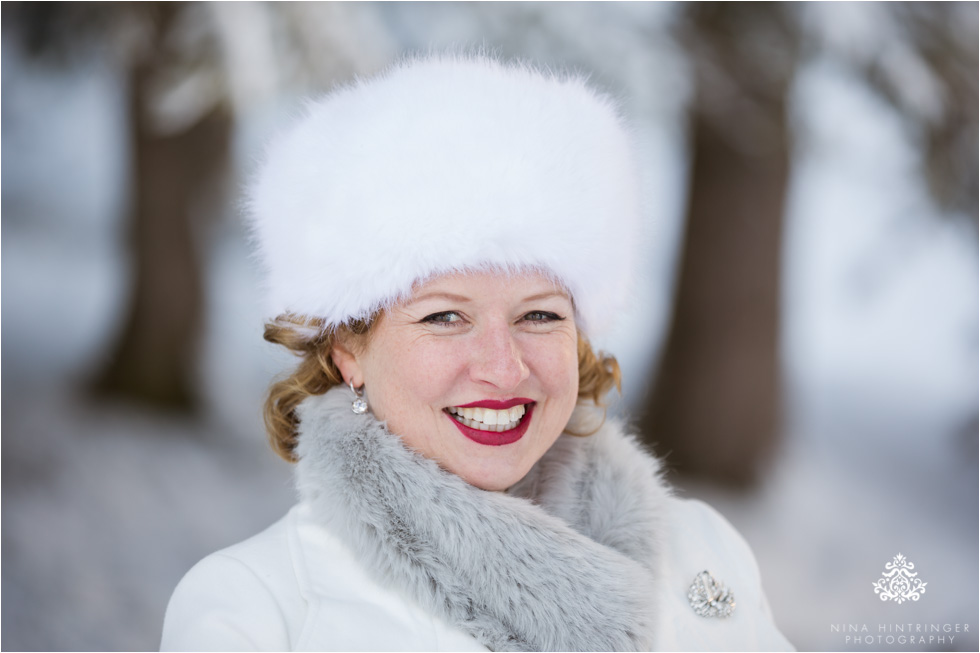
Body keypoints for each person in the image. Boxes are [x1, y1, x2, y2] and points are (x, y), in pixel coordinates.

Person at [161, 55, 793, 651]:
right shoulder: (259, 608)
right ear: (347, 351)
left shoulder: (704, 549)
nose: (503, 366)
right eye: (444, 316)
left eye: (540, 314)